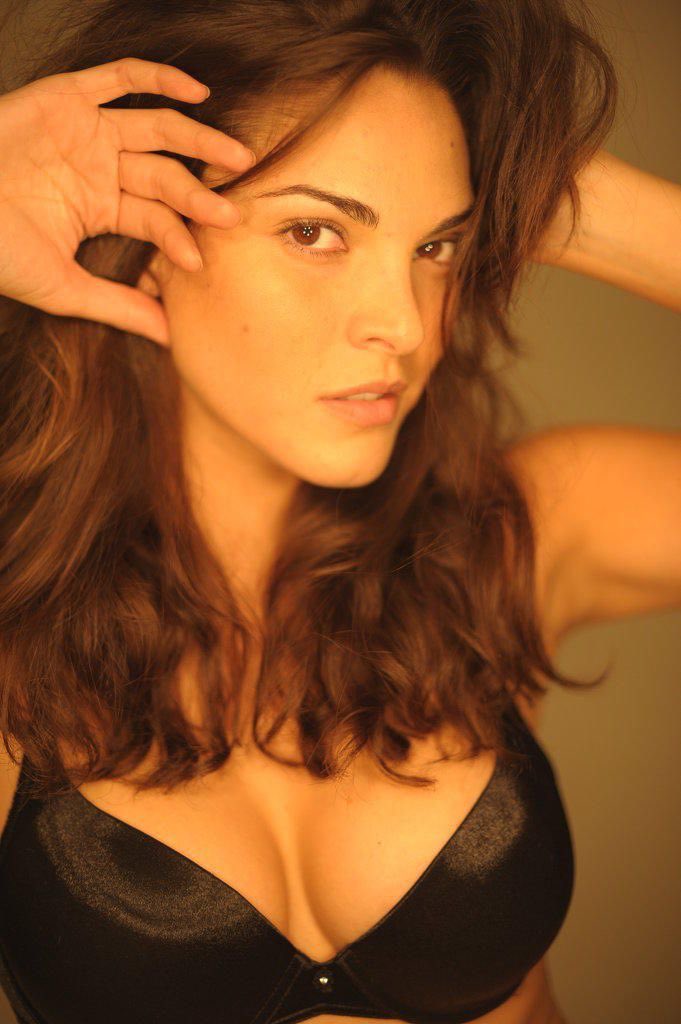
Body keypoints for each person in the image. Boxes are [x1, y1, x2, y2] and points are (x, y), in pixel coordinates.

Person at [0, 2, 679, 1023]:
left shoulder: (510, 538)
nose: (403, 324)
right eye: (315, 232)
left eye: (436, 245)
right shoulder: (19, 616)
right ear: (143, 232)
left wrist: (561, 191)